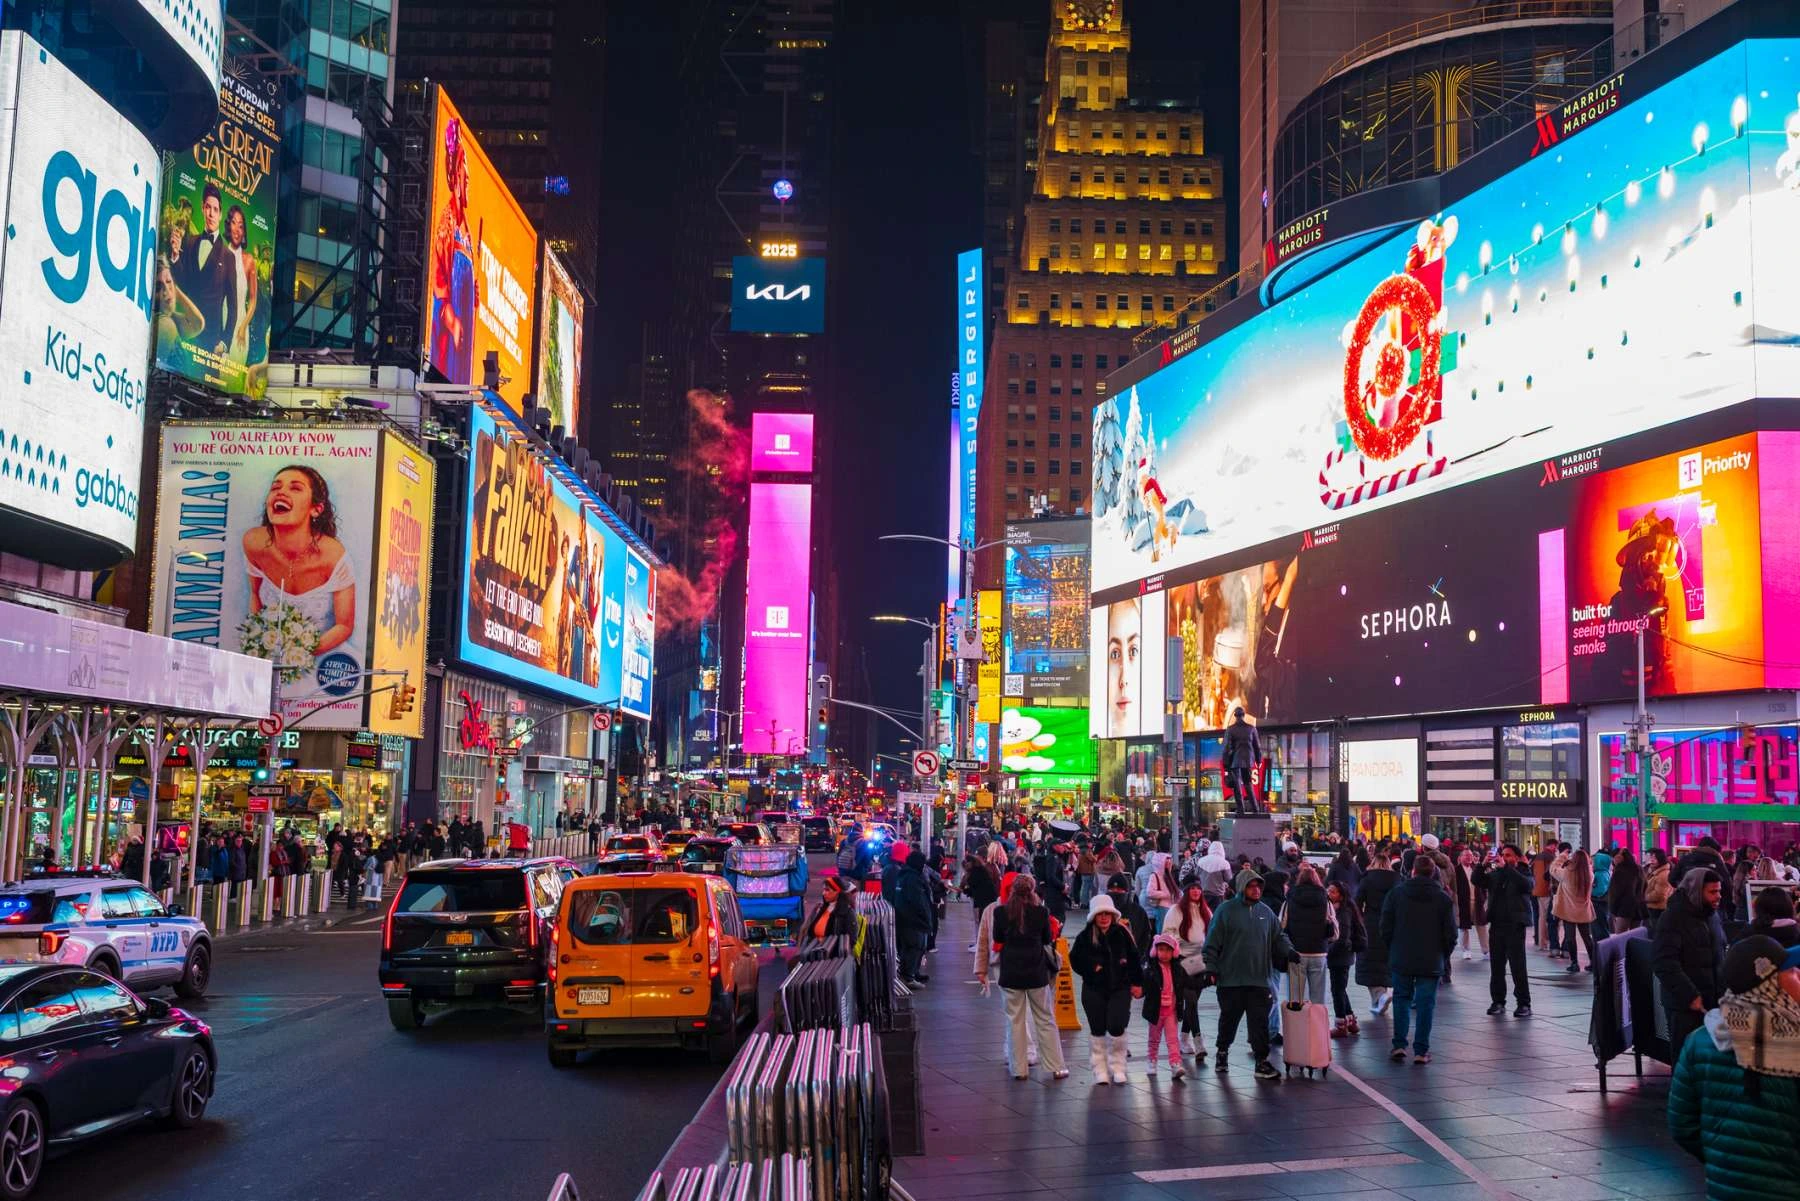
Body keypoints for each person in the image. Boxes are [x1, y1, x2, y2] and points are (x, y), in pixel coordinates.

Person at [1666, 935, 1800, 1201]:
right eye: (1792, 972)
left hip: (1725, 1187)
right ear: (1769, 984)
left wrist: (1724, 1158)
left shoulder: (1703, 1039)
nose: (1799, 975)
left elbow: (1682, 1123)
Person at [1201, 872, 1291, 1080]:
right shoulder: (1226, 910)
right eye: (1251, 886)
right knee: (1228, 1020)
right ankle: (1222, 1053)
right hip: (1231, 979)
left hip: (1260, 979)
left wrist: (1289, 951)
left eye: (1259, 886)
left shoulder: (1266, 913)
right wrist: (1211, 967)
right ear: (1242, 887)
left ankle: (1261, 1062)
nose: (1256, 890)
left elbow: (1279, 937)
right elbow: (1212, 942)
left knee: (1259, 1023)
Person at [991, 876, 1068, 1081]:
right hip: (1036, 972)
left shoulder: (1000, 912)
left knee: (1014, 1021)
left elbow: (998, 938)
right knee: (1045, 1019)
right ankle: (1056, 1067)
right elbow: (1047, 939)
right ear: (1033, 890)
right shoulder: (1041, 912)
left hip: (1011, 973)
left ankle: (1019, 1069)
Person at [1381, 855, 1456, 1064]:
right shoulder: (1442, 898)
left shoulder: (1396, 894)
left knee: (1401, 999)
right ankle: (1421, 1051)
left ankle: (1399, 1045)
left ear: (1413, 871)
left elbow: (1385, 926)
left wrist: (1393, 947)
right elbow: (1450, 933)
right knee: (1426, 1004)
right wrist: (1443, 954)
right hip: (1431, 959)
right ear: (1433, 873)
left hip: (1402, 954)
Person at [1068, 893, 1142, 1085]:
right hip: (1093, 989)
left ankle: (1118, 1066)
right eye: (1100, 914)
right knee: (1097, 1029)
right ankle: (1099, 1068)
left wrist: (1138, 983)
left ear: (1112, 915)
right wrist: (1092, 968)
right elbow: (1074, 960)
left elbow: (1135, 959)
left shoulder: (1122, 933)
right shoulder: (1085, 937)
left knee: (1117, 1025)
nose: (1103, 917)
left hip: (1120, 988)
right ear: (1093, 916)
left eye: (1107, 914)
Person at [1654, 868, 1729, 1057]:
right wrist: (1689, 995)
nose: (1718, 896)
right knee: (1686, 1059)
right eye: (1712, 892)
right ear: (1696, 891)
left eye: (1719, 891)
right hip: (1684, 1007)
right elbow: (1664, 962)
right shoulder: (1673, 918)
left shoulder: (1712, 916)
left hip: (1712, 1004)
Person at [1478, 844, 1535, 1017]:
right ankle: (1497, 1001)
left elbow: (1526, 886)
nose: (1504, 857)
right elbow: (1478, 880)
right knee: (1496, 967)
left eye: (1509, 855)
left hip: (1515, 925)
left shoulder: (1523, 872)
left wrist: (1506, 868)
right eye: (1503, 855)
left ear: (1517, 857)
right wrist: (1482, 865)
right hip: (1497, 924)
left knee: (1518, 966)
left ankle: (1524, 1003)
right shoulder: (1496, 872)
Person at [1162, 881, 1211, 1060]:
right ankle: (1198, 1042)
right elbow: (1167, 933)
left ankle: (1183, 1038)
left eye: (1198, 888)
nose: (1196, 891)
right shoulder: (1176, 910)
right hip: (1182, 960)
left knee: (1193, 1003)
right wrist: (1182, 943)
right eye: (1192, 888)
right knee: (1190, 1000)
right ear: (1186, 890)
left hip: (1200, 961)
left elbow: (1210, 933)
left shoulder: (1205, 910)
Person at [1279, 863, 1335, 1008]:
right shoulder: (1325, 900)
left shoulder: (1290, 899)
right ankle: (1316, 1029)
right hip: (1319, 952)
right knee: (1318, 1000)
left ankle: (1298, 1028)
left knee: (1296, 999)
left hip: (1296, 953)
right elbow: (1334, 931)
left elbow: (1281, 926)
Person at [1141, 933, 1193, 1080]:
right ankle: (1152, 1061)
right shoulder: (1151, 969)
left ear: (1174, 952)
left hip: (1171, 1011)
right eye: (1161, 949)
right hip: (1155, 1011)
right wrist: (1138, 991)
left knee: (1172, 1039)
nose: (1164, 954)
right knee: (1154, 1038)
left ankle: (1175, 1064)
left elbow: (1189, 981)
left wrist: (1206, 980)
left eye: (1168, 950)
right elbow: (1143, 985)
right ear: (1155, 951)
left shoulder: (1178, 969)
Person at [1355, 849, 1400, 1016]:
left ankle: (1379, 996)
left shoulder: (1367, 879)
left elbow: (1357, 902)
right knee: (1386, 959)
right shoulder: (1397, 880)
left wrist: (1359, 920)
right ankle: (1380, 997)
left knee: (1369, 962)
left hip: (1371, 923)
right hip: (1392, 923)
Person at [1325, 880, 1367, 1038]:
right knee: (1340, 988)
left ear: (1341, 896)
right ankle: (1351, 1021)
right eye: (1328, 890)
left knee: (1337, 990)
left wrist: (1328, 951)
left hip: (1340, 955)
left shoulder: (1343, 912)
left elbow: (1341, 938)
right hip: (1344, 955)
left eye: (1333, 892)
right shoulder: (1340, 909)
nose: (1329, 894)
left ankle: (1341, 1024)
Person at [1552, 849, 1600, 973]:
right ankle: (1594, 962)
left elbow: (1553, 869)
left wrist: (1562, 856)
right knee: (1586, 938)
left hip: (1569, 911)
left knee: (1570, 937)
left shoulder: (1567, 873)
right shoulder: (1590, 874)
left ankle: (1574, 963)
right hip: (1583, 911)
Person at [892, 850, 935, 987]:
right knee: (915, 946)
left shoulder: (904, 875)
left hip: (906, 918)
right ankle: (909, 976)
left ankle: (913, 973)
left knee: (916, 947)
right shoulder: (913, 878)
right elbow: (918, 901)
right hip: (914, 920)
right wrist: (926, 917)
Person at [1222, 707, 1261, 812]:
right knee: (1248, 784)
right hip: (1248, 760)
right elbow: (1257, 746)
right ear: (1244, 715)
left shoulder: (1230, 729)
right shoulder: (1251, 728)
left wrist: (1225, 764)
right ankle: (1255, 808)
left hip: (1235, 760)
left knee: (1237, 785)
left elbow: (1226, 747)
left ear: (1235, 716)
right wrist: (1259, 760)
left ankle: (1241, 808)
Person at [1452, 848, 1488, 961]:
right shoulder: (1456, 871)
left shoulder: (1476, 869)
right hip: (1463, 902)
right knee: (1463, 928)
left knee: (1482, 926)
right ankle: (1466, 950)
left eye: (1471, 855)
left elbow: (1483, 884)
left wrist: (1483, 897)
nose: (1469, 857)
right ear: (1460, 857)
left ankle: (1486, 950)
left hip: (1477, 902)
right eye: (1466, 855)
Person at [805, 875, 858, 945]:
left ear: (837, 892)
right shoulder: (821, 909)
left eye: (827, 890)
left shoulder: (848, 913)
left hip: (830, 954)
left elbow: (851, 941)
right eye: (823, 890)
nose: (823, 893)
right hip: (812, 950)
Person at [1106, 872, 1153, 949]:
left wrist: (1138, 956)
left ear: (1127, 892)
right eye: (1112, 889)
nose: (1115, 892)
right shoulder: (1103, 910)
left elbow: (1145, 936)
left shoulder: (1138, 912)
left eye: (1119, 890)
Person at [1609, 847, 1647, 934]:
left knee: (1620, 937)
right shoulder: (1639, 869)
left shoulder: (1619, 871)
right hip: (1638, 909)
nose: (1612, 861)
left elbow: (1615, 893)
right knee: (1635, 937)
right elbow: (1645, 887)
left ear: (1618, 858)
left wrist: (1613, 910)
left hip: (1623, 910)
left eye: (1613, 858)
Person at [1644, 847, 1673, 932]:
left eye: (1654, 858)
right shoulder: (1652, 871)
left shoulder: (1663, 874)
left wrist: (1644, 897)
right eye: (1650, 858)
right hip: (1651, 908)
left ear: (1660, 859)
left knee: (1654, 934)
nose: (1651, 860)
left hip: (1657, 910)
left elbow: (1659, 895)